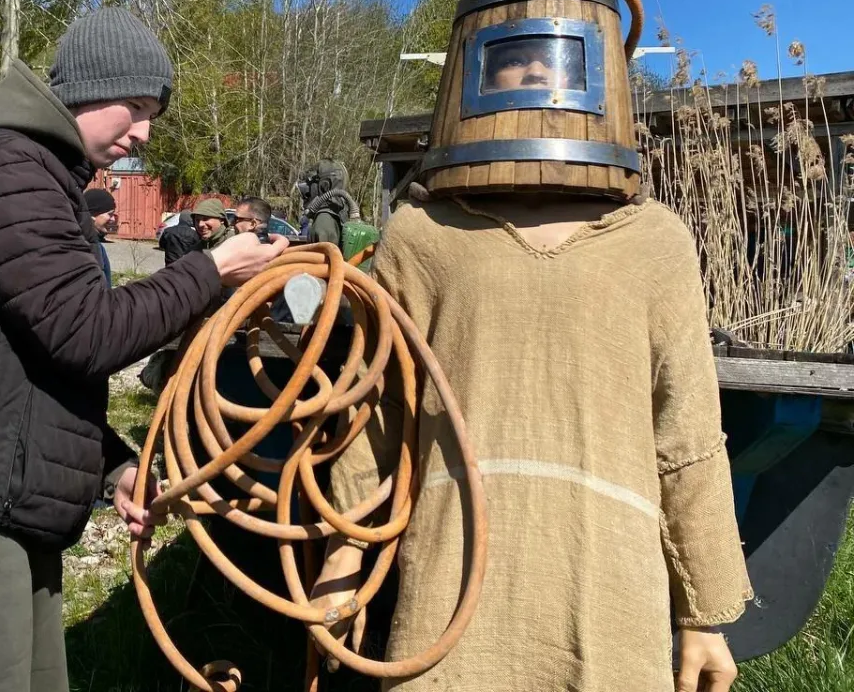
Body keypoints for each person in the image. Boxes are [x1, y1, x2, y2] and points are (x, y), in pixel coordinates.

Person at [0, 8, 288, 692]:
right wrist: (211, 270)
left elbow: (23, 367)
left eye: (155, 113)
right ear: (89, 87)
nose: (144, 131)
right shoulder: (7, 169)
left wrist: (110, 469)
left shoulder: (38, 175)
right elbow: (86, 332)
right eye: (137, 106)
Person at [312, 39, 750, 692]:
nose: (538, 71)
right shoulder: (423, 236)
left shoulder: (657, 243)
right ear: (473, 81)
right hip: (453, 585)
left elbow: (686, 435)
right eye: (511, 61)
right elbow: (378, 409)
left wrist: (703, 615)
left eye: (560, 60)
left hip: (610, 599)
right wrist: (344, 553)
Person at [84, 188, 117, 285]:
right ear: (93, 215)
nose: (113, 219)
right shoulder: (86, 247)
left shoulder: (99, 247)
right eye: (110, 214)